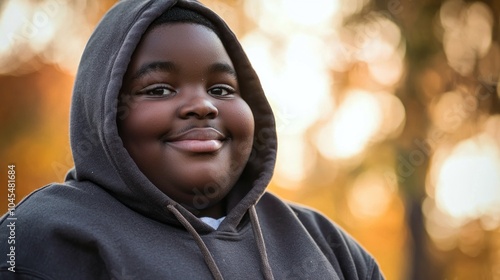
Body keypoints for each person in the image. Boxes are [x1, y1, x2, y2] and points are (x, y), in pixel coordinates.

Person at [0, 0, 384, 279]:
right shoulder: (40, 238)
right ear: (103, 111)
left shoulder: (325, 244)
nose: (202, 106)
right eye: (159, 90)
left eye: (220, 89)